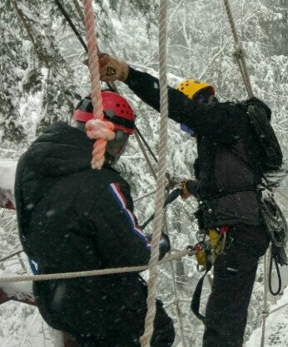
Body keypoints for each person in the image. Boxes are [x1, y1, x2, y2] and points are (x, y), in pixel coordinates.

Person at [97, 54, 271, 347]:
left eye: (191, 127)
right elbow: (229, 185)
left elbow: (179, 108)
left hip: (240, 234)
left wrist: (129, 75)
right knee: (224, 316)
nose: (193, 134)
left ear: (199, 104)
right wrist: (193, 186)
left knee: (223, 323)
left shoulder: (226, 118)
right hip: (241, 232)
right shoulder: (228, 132)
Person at [14, 91, 174, 347]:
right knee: (159, 329)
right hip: (100, 306)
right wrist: (160, 242)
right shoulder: (102, 183)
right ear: (110, 136)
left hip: (54, 299)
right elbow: (135, 255)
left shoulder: (30, 165)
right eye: (120, 142)